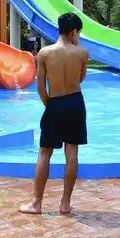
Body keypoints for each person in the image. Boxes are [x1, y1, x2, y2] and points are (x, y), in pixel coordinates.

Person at [20, 13, 88, 215]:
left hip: (54, 102)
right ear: (74, 31)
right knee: (72, 154)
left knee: (44, 153)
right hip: (75, 102)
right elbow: (81, 78)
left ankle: (36, 203)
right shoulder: (82, 53)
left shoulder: (44, 53)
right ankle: (65, 203)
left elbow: (40, 86)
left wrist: (50, 105)